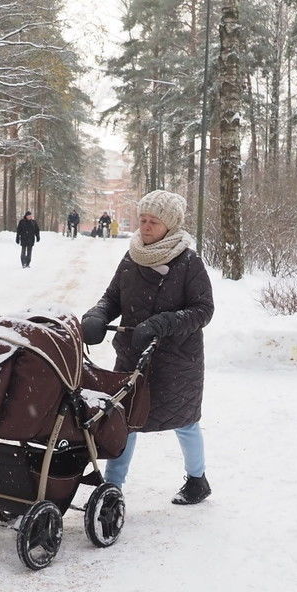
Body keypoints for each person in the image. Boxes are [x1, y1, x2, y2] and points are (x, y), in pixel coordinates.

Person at [81, 189, 214, 505]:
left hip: (176, 358)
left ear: (170, 225)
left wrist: (161, 323)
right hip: (131, 355)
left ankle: (197, 480)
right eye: (143, 219)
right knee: (123, 419)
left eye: (154, 221)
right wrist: (97, 316)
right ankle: (113, 488)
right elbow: (112, 296)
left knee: (184, 421)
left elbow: (203, 309)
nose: (146, 226)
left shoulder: (188, 262)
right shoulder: (132, 256)